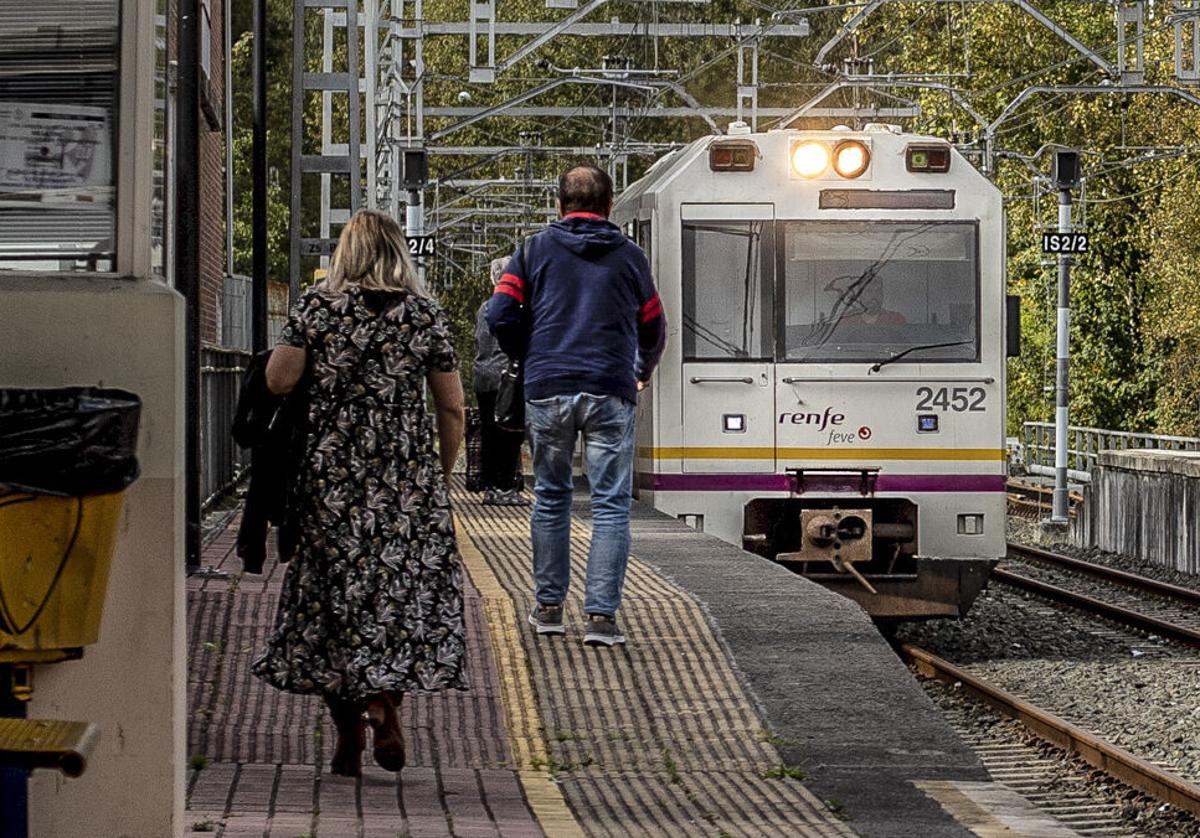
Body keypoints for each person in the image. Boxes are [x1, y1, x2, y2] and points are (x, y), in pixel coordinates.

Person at [251, 209, 468, 777]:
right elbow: (452, 405)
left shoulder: (319, 307)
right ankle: (385, 707)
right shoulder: (424, 315)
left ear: (347, 254)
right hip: (405, 482)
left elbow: (278, 380)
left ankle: (348, 733)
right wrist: (438, 471)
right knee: (395, 601)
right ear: (398, 252)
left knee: (330, 605)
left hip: (332, 483)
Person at [487, 164, 667, 648]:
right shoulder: (631, 257)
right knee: (610, 504)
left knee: (551, 495)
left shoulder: (532, 251)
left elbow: (499, 312)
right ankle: (601, 619)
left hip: (548, 386)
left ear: (560, 204)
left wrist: (530, 352)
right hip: (611, 386)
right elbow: (653, 324)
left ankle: (548, 609)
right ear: (609, 206)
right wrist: (641, 369)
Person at [474, 256, 528, 506]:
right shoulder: (510, 307)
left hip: (483, 377)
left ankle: (489, 484)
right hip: (506, 379)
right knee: (509, 433)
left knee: (488, 432)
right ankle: (504, 486)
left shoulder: (483, 307)